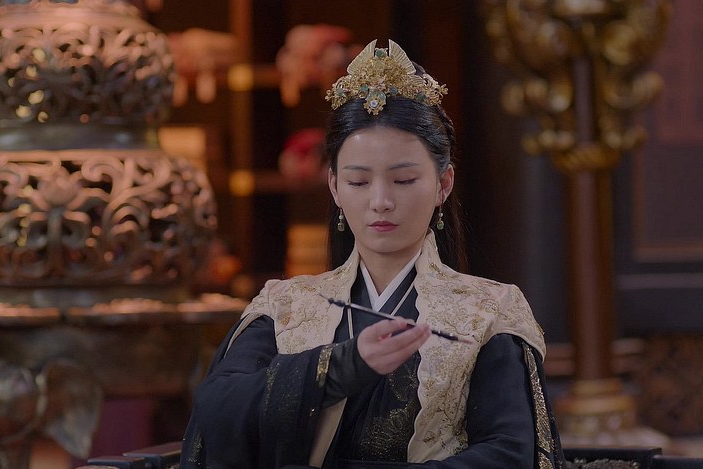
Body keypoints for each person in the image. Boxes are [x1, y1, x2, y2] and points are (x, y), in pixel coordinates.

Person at [180, 39, 564, 469]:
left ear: (443, 184)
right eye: (359, 182)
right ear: (334, 187)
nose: (380, 202)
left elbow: (509, 454)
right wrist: (342, 366)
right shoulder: (285, 306)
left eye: (403, 180)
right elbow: (219, 408)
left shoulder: (490, 311)